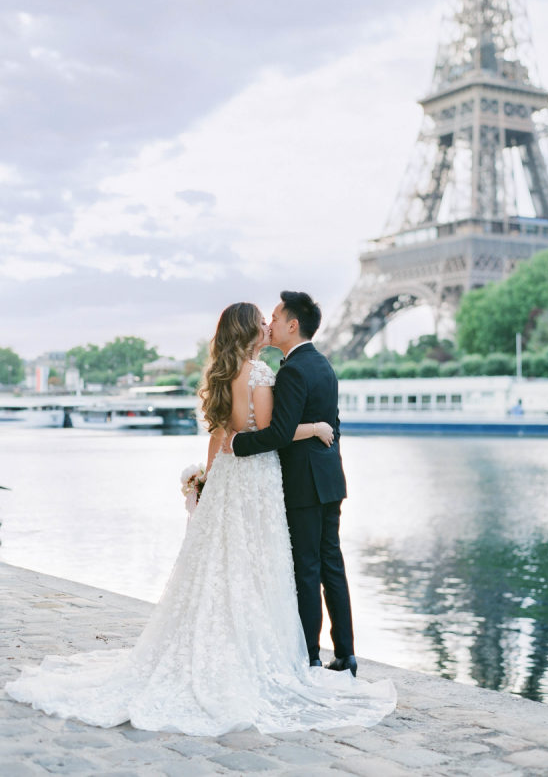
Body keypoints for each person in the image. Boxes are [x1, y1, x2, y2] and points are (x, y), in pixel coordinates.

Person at [6, 302, 396, 735]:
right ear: (251, 333)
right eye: (262, 323)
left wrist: (207, 483)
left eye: (273, 319)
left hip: (229, 480)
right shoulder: (264, 375)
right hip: (257, 481)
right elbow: (271, 435)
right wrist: (316, 427)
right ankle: (277, 651)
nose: (268, 326)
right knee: (261, 565)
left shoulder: (222, 375)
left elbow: (220, 439)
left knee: (221, 564)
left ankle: (218, 642)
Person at [230, 291, 356, 676]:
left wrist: (237, 443)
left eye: (274, 316)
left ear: (292, 324)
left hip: (302, 483)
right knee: (331, 564)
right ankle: (346, 653)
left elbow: (279, 433)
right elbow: (334, 426)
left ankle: (310, 655)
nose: (269, 323)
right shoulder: (324, 365)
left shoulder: (292, 371)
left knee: (306, 568)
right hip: (330, 478)